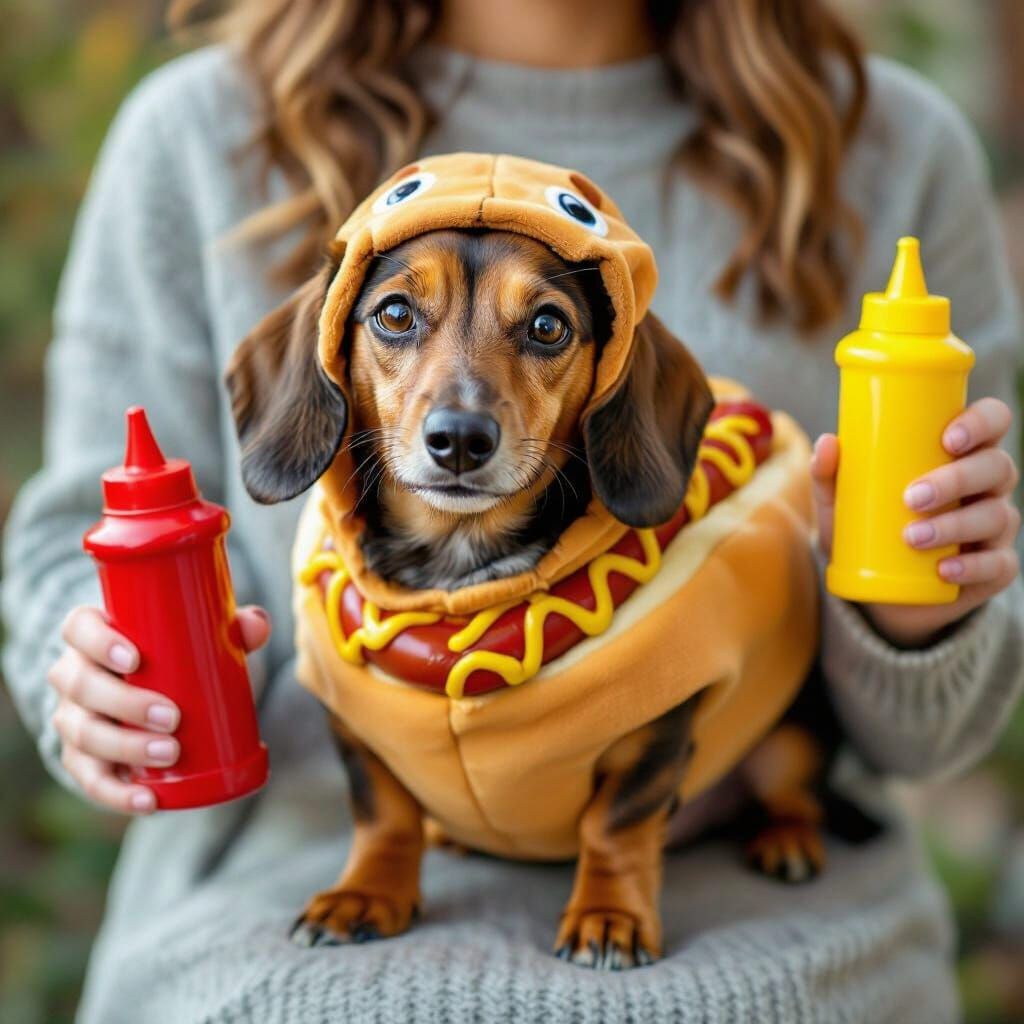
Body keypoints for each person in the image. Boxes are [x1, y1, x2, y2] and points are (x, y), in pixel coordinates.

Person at [3, 1, 1022, 1020]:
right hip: (268, 902)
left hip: (762, 913)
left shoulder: (893, 146)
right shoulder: (196, 129)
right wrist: (104, 681)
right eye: (398, 319)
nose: (461, 417)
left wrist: (910, 604)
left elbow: (933, 734)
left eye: (541, 329)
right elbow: (80, 536)